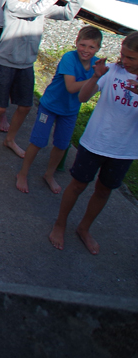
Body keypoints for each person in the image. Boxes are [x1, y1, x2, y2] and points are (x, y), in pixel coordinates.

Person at [0, 0, 86, 158]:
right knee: (0, 107)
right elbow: (35, 10)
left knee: (25, 106)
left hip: (26, 64)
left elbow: (68, 14)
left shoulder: (40, 4)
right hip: (5, 62)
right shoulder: (10, 1)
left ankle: (10, 139)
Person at [48, 32, 138, 255]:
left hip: (124, 150)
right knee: (77, 185)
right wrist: (95, 77)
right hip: (95, 141)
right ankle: (60, 223)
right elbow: (82, 97)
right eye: (123, 55)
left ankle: (84, 228)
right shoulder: (112, 71)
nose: (124, 61)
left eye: (131, 58)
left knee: (104, 190)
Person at [16, 26, 102, 194]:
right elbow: (71, 87)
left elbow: (91, 92)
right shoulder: (69, 58)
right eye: (83, 45)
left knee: (62, 145)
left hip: (70, 111)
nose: (86, 50)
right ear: (76, 42)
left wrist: (100, 78)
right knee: (38, 141)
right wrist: (96, 78)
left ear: (98, 48)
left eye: (92, 47)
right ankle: (23, 173)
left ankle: (49, 174)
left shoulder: (97, 64)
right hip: (50, 107)